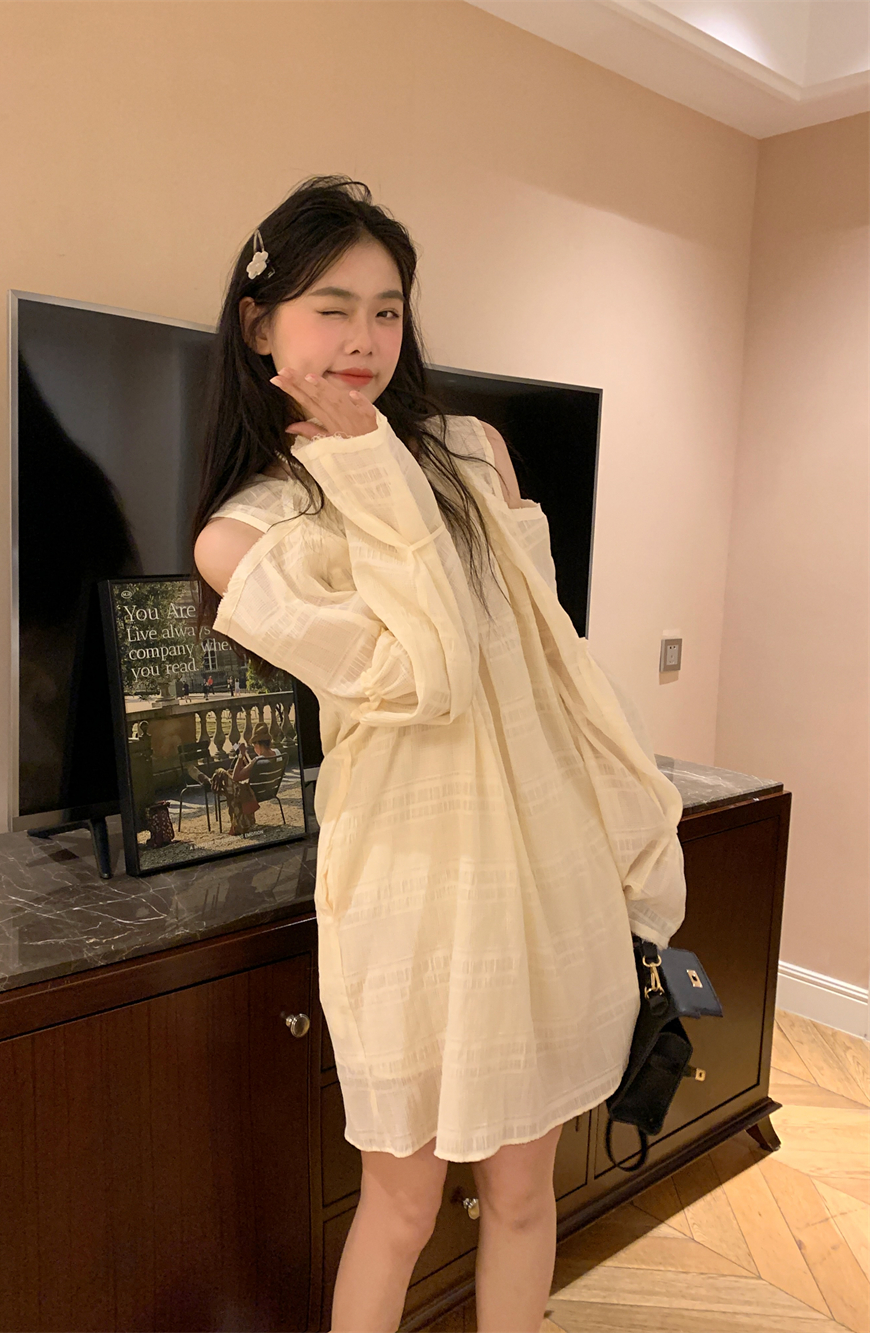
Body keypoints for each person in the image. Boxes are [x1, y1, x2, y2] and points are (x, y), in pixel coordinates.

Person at [192, 177, 686, 1333]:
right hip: (411, 889)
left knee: (521, 1192)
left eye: (387, 310)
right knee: (403, 1201)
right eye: (331, 308)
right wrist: (366, 466)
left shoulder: (473, 450)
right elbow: (431, 674)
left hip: (547, 862)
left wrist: (625, 825)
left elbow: (547, 658)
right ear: (260, 326)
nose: (363, 339)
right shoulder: (246, 534)